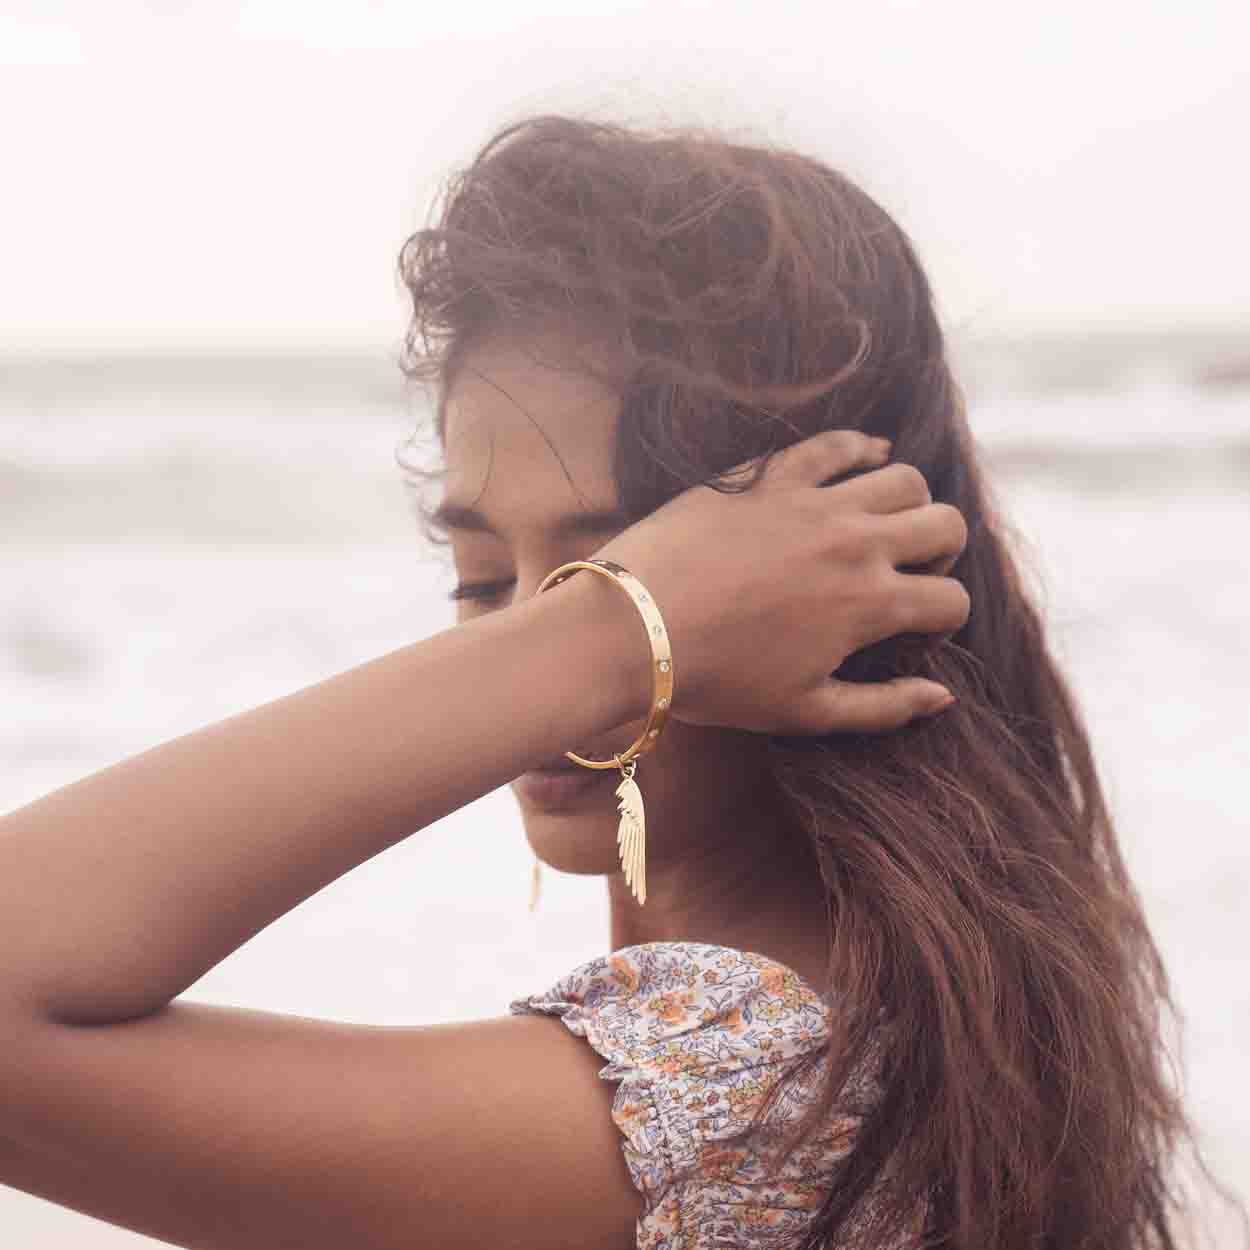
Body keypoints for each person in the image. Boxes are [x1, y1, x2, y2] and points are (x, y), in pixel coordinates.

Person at [0, 114, 1235, 1250]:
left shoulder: (748, 1094)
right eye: (482, 582)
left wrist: (607, 639)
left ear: (834, 591)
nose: (529, 647)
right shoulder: (927, 1021)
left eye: (625, 575)